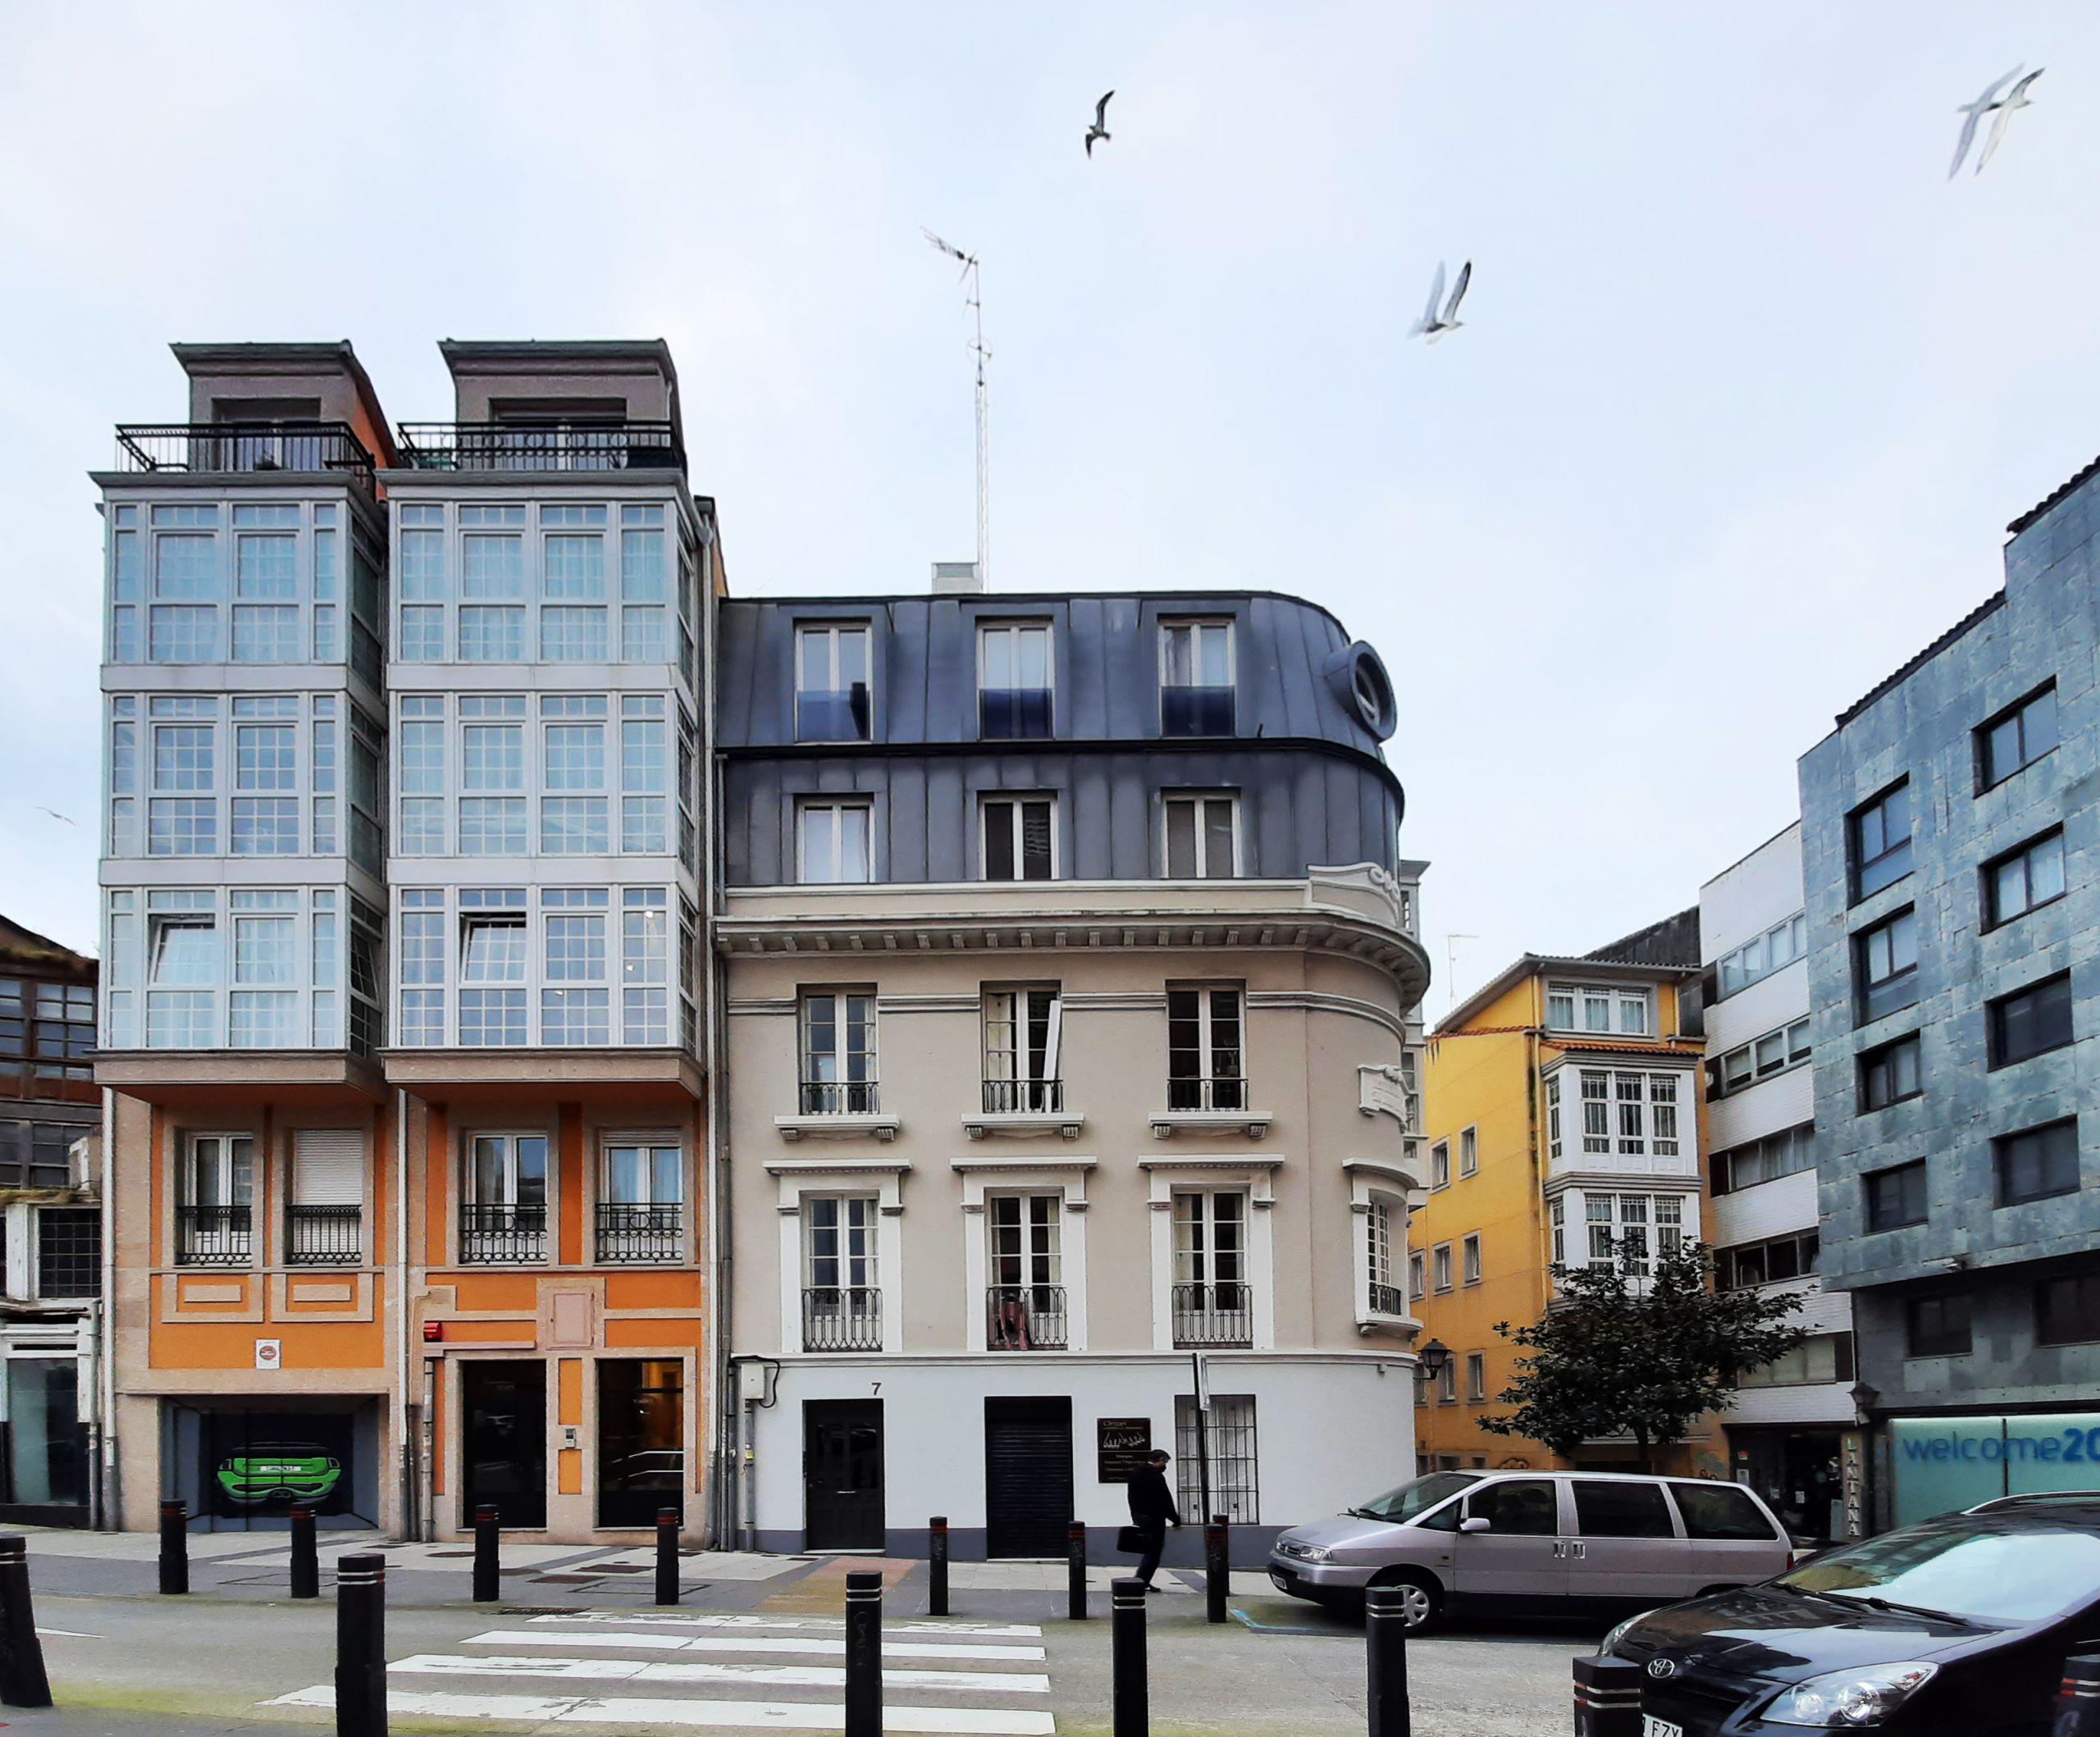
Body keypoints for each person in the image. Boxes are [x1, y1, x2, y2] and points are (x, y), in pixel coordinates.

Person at [1125, 1448, 1183, 1591]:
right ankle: (1142, 1581)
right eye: (1165, 1462)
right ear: (1160, 1460)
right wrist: (1174, 1518)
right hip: (1155, 1517)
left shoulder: (1135, 1473)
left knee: (1148, 1550)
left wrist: (1135, 1516)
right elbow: (1164, 1499)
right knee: (1153, 1552)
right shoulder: (1156, 1476)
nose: (1165, 1466)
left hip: (1140, 1516)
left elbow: (1131, 1497)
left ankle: (1142, 1580)